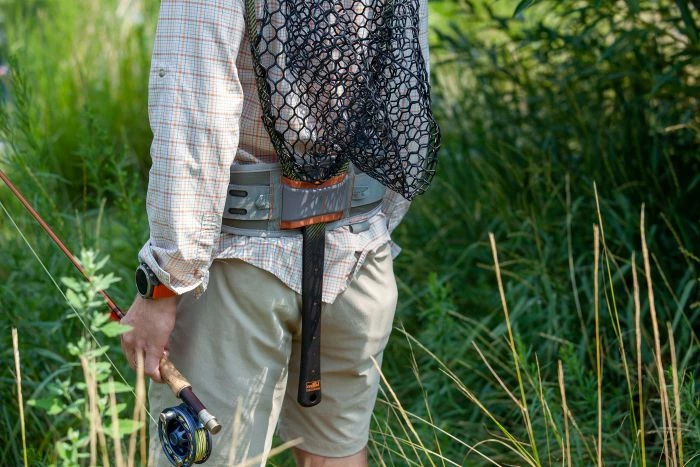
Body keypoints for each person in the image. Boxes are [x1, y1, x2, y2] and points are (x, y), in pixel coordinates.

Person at [120, 0, 432, 465]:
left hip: (239, 269)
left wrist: (164, 282)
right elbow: (407, 98)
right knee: (336, 454)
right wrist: (373, 222)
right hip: (360, 252)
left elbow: (195, 107)